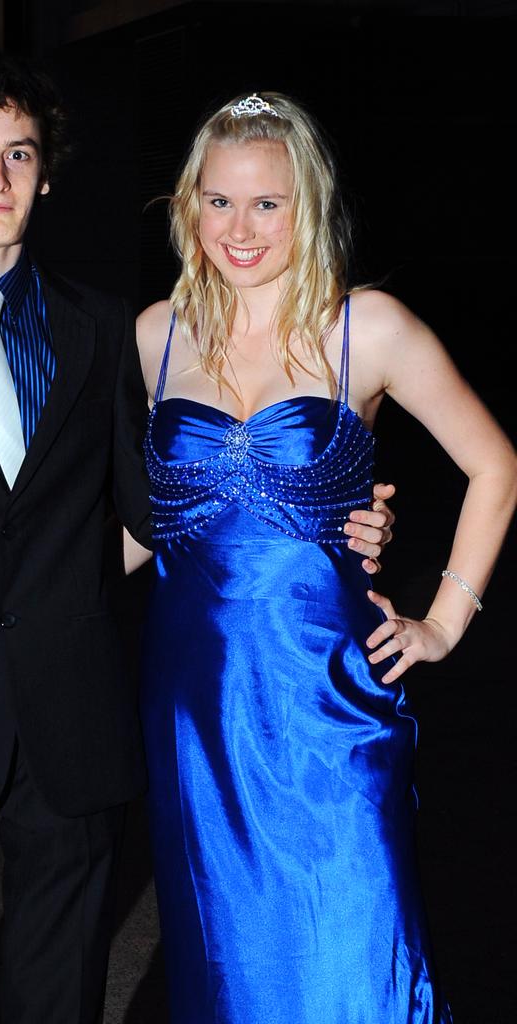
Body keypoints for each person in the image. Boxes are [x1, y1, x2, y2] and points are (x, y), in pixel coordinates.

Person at [0, 53, 395, 1023]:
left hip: (71, 719)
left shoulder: (101, 328)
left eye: (18, 154)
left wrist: (330, 514)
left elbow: (164, 507)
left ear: (44, 171)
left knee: (56, 996)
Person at [129, 93, 517, 1023]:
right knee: (226, 960)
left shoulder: (368, 326)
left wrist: (444, 619)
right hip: (192, 705)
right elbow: (153, 523)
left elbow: (494, 463)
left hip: (327, 696)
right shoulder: (154, 335)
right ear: (190, 207)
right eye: (220, 201)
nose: (242, 227)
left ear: (309, 205)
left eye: (269, 203)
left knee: (353, 944)